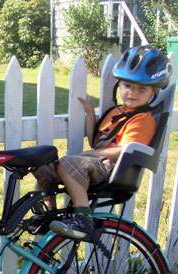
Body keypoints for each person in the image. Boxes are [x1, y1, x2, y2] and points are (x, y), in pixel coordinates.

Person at [33, 45, 172, 239]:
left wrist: (90, 155)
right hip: (98, 163)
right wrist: (90, 115)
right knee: (44, 167)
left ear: (154, 92)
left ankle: (83, 219)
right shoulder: (117, 112)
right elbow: (96, 142)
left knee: (68, 163)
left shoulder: (143, 119)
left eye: (142, 88)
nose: (132, 92)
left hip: (113, 168)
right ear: (119, 85)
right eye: (127, 86)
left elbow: (125, 150)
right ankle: (49, 213)